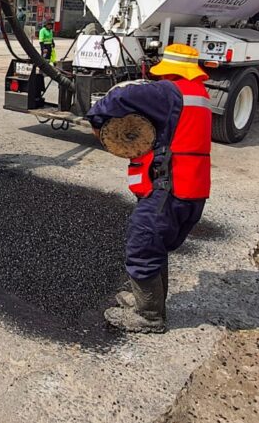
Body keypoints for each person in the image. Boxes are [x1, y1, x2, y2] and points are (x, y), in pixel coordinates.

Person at [86, 44, 212, 333]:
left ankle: (150, 316)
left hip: (167, 191)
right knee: (157, 246)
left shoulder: (169, 91)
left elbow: (121, 95)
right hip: (192, 190)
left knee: (141, 247)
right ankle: (148, 302)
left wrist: (97, 120)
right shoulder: (199, 95)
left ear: (168, 70)